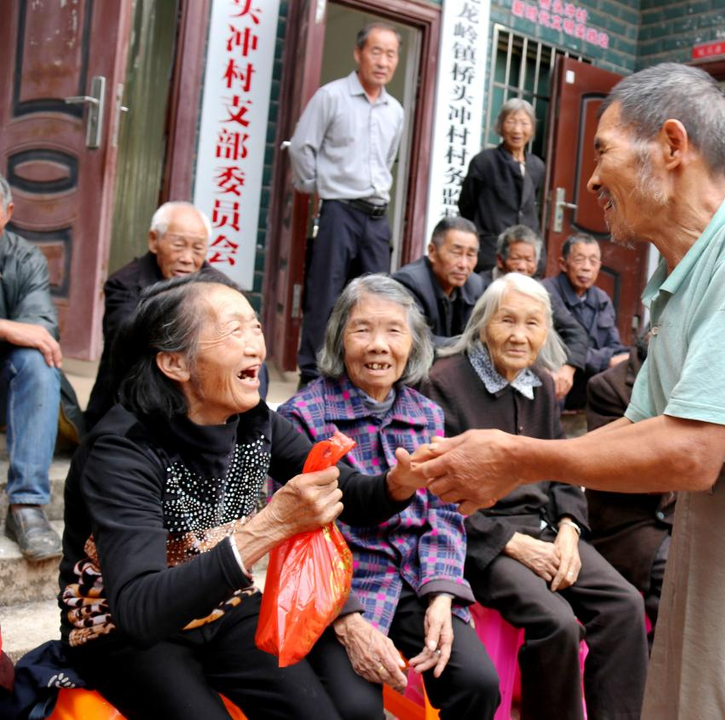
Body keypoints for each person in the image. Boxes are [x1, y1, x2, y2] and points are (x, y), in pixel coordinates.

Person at [411, 63, 725, 720]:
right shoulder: (689, 272)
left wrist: (519, 458)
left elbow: (691, 453)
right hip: (718, 515)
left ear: (670, 144)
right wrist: (503, 464)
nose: (593, 179)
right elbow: (645, 427)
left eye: (602, 151)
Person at [58, 272, 426, 720]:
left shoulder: (255, 421)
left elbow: (349, 491)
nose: (257, 345)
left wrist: (402, 481)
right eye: (234, 331)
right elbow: (140, 609)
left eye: (255, 326)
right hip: (123, 634)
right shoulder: (123, 451)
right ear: (175, 363)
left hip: (225, 609)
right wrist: (271, 526)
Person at [420, 274, 648, 720]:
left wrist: (569, 528)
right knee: (556, 622)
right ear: (485, 324)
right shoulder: (444, 383)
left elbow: (562, 465)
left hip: (546, 530)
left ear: (546, 332)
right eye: (507, 320)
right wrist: (511, 543)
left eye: (532, 324)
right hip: (480, 539)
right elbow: (433, 493)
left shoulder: (540, 384)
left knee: (625, 605)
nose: (519, 335)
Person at [278, 275, 499, 719]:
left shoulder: (427, 414)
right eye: (363, 330)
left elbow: (445, 515)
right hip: (343, 590)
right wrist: (349, 620)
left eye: (394, 331)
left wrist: (442, 597)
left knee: (477, 682)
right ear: (340, 339)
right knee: (355, 709)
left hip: (417, 582)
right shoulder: (302, 416)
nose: (379, 345)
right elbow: (298, 536)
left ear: (413, 344)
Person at [290, 23, 405, 385]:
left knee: (376, 299)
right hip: (339, 210)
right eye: (376, 51)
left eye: (391, 54)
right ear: (358, 54)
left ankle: (359, 375)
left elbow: (388, 159)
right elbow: (301, 148)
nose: (383, 61)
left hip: (376, 216)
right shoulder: (331, 96)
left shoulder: (395, 111)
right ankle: (311, 375)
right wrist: (319, 187)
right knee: (325, 293)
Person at [85, 201, 267, 429]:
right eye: (179, 246)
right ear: (154, 241)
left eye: (198, 248)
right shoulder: (125, 283)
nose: (187, 258)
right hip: (137, 404)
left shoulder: (221, 286)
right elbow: (131, 340)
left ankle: (244, 429)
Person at [583, 332, 671, 644]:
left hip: (678, 511)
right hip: (628, 520)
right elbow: (624, 468)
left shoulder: (686, 378)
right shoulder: (608, 386)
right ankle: (656, 678)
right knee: (674, 574)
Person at [0, 172, 63, 561]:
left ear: (6, 212)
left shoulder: (24, 257)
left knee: (39, 361)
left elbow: (39, 330)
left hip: (6, 387)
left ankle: (26, 505)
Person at [482, 225, 588, 399]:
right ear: (500, 260)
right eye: (516, 258)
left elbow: (576, 332)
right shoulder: (483, 286)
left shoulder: (541, 291)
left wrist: (567, 369)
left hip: (536, 367)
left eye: (529, 260)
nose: (522, 266)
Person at [542, 234, 630, 409]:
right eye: (579, 260)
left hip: (589, 379)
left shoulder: (601, 298)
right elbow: (558, 348)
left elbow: (613, 346)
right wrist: (605, 360)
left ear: (599, 266)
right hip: (559, 374)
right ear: (563, 264)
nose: (586, 268)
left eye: (593, 261)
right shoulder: (546, 292)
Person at [458, 99, 545, 272]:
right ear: (500, 126)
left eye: (524, 123)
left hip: (525, 254)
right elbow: (467, 205)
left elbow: (530, 203)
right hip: (491, 250)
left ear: (532, 128)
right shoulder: (484, 162)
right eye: (511, 122)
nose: (517, 130)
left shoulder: (537, 166)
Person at [393, 217, 484, 350]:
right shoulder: (408, 282)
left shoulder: (475, 285)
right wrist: (467, 346)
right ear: (432, 251)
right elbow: (415, 340)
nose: (464, 264)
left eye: (470, 255)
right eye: (456, 252)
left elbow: (480, 333)